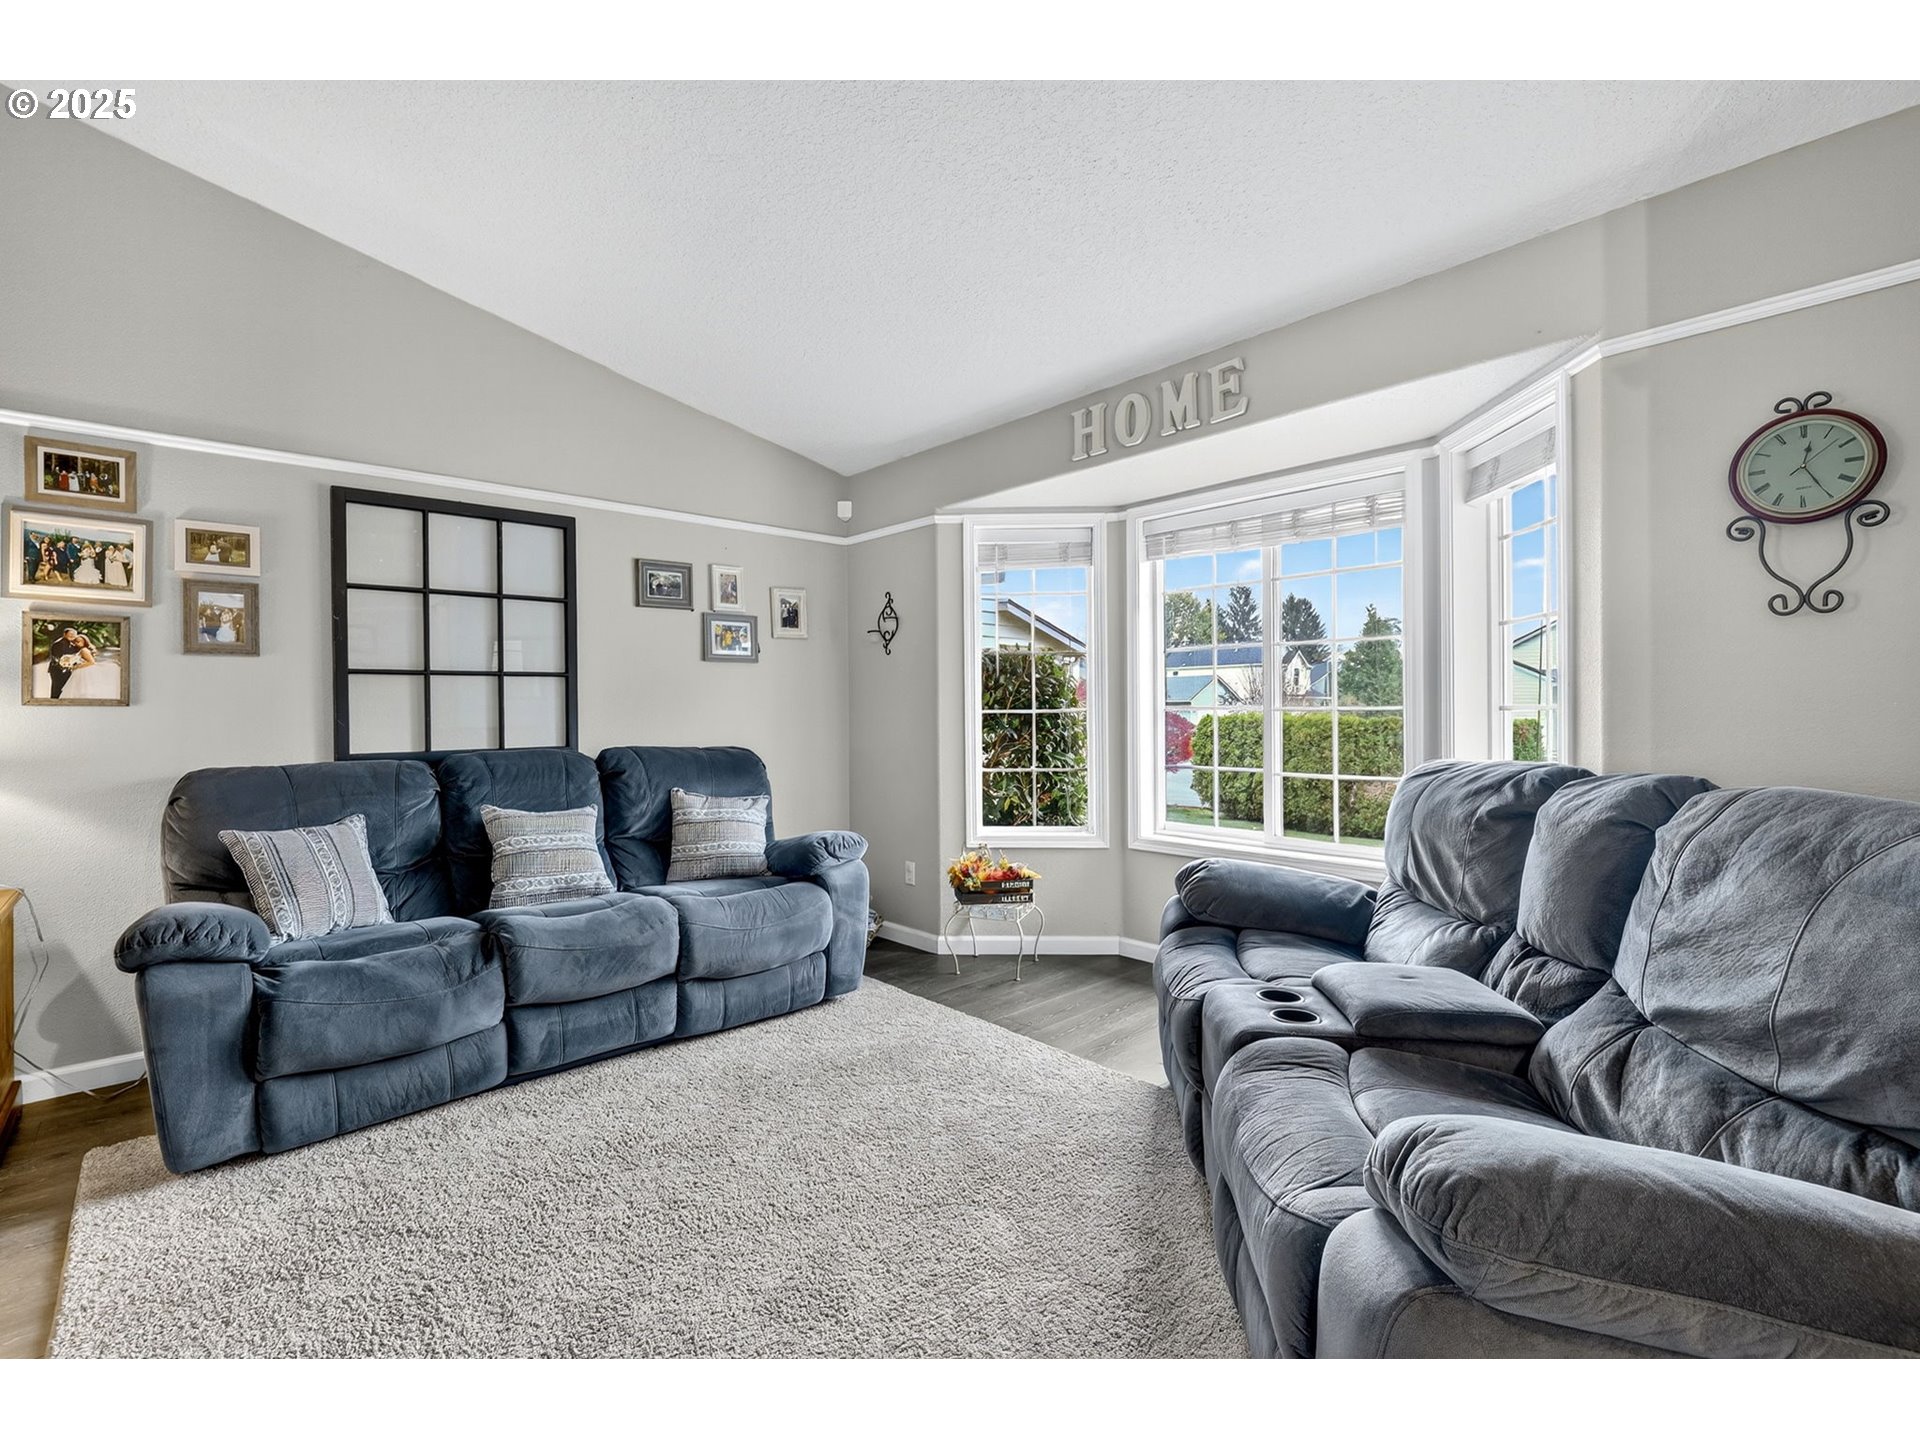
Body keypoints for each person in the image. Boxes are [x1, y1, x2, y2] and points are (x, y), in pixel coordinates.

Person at [45, 626, 96, 701]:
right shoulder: (59, 643)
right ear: (64, 634)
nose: (72, 636)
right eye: (70, 634)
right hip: (58, 670)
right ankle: (54, 703)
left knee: (65, 688)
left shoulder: (72, 644)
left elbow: (79, 652)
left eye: (74, 634)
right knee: (57, 689)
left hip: (66, 670)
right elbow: (59, 657)